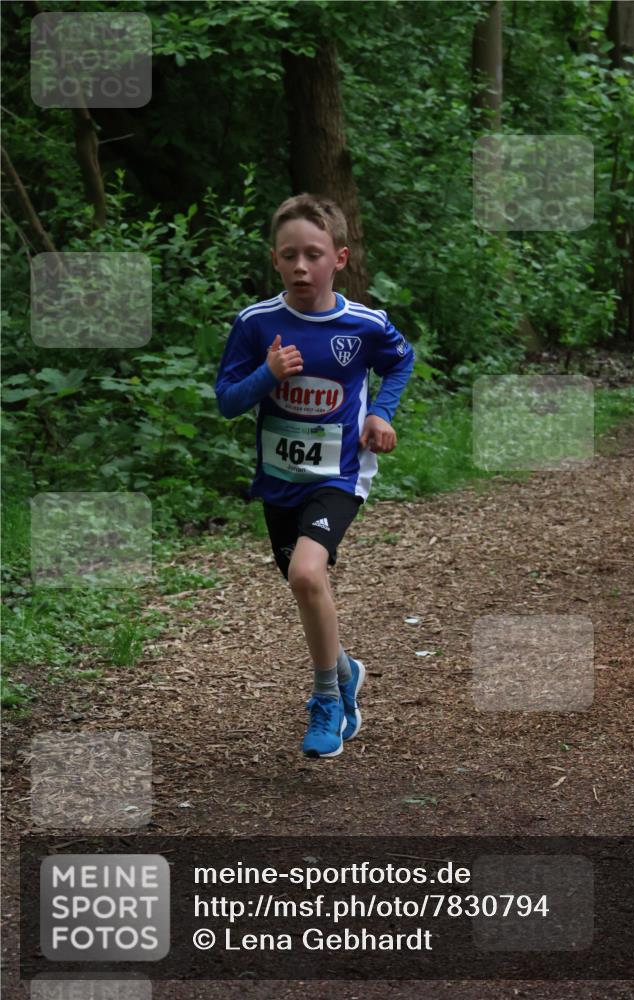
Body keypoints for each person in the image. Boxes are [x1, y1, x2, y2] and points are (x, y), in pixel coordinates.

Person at [214, 193, 414, 759]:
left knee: (307, 573)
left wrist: (381, 413)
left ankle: (327, 699)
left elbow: (401, 360)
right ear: (275, 260)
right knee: (306, 586)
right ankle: (345, 670)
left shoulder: (364, 325)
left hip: (340, 474)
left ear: (339, 258)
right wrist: (267, 374)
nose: (301, 266)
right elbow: (228, 401)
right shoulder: (257, 324)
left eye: (314, 254)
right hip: (280, 480)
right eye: (289, 255)